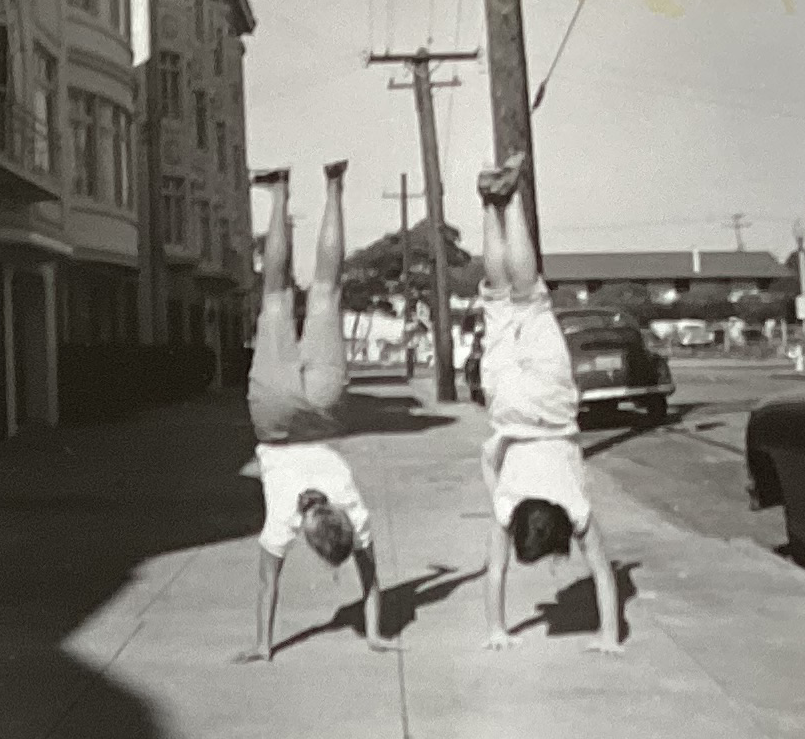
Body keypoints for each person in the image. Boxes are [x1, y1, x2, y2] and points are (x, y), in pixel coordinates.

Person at [236, 162, 395, 663]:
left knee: (327, 289)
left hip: (325, 409)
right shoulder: (284, 519)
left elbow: (373, 581)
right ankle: (280, 192)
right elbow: (267, 586)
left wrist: (374, 629)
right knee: (277, 297)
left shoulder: (352, 508)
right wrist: (263, 646)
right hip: (276, 416)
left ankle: (333, 186)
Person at [477, 153, 622, 655]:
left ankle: (511, 199)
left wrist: (609, 636)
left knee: (529, 295)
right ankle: (487, 206)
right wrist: (494, 628)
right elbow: (495, 573)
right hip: (508, 409)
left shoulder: (575, 507)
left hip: (552, 409)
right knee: (500, 297)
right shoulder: (506, 505)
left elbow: (604, 575)